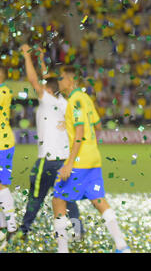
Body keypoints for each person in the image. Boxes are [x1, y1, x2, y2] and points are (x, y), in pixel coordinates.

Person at [52, 65, 129, 253]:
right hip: (94, 159)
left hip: (80, 161)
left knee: (58, 200)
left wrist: (69, 163)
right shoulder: (85, 98)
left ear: (71, 81)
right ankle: (122, 245)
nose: (59, 82)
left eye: (62, 78)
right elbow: (97, 125)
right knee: (98, 199)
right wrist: (69, 124)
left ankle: (62, 250)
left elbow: (80, 131)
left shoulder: (74, 101)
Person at [12, 44, 84, 242]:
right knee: (68, 198)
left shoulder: (47, 100)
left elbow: (35, 80)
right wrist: (42, 59)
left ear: (48, 91)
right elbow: (46, 79)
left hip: (47, 160)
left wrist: (27, 56)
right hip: (64, 161)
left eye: (44, 88)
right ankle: (78, 233)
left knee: (35, 197)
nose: (40, 89)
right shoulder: (65, 103)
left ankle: (23, 230)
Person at [0, 65, 17, 251]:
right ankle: (3, 225)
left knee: (1, 185)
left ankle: (12, 225)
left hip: (2, 143)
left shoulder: (3, 91)